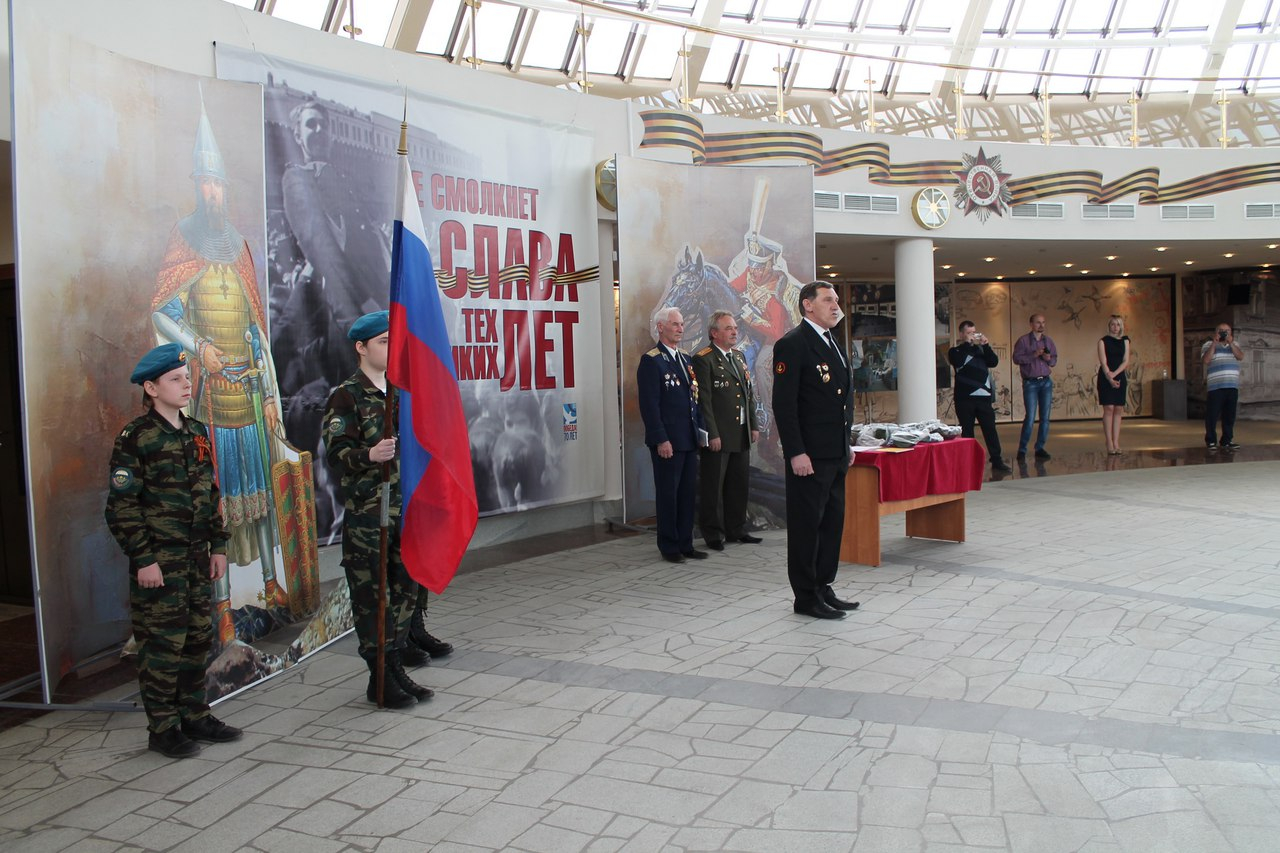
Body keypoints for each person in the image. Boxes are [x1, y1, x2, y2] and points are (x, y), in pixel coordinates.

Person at [152, 100, 290, 646]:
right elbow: (163, 312)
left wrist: (272, 394)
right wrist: (200, 347)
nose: (212, 192)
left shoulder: (240, 248)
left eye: (218, 184)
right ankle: (225, 606)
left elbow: (257, 330)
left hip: (251, 398)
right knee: (221, 509)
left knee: (262, 502)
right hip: (211, 401)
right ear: (196, 186)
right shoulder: (183, 240)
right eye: (204, 183)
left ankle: (272, 587)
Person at [105, 343, 244, 758]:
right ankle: (163, 728)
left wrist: (218, 545)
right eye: (175, 379)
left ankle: (195, 715)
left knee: (197, 639)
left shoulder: (195, 431)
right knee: (162, 646)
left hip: (196, 559)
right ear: (151, 388)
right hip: (160, 563)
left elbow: (210, 493)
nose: (186, 385)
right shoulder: (136, 438)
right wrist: (144, 558)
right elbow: (121, 507)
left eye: (187, 377)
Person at [323, 311, 437, 709]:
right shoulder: (347, 395)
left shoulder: (400, 392)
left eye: (393, 341)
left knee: (405, 588)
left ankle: (395, 664)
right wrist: (368, 455)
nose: (391, 349)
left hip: (404, 510)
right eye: (383, 342)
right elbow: (336, 454)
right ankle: (380, 675)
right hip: (370, 515)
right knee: (374, 598)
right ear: (361, 347)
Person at [772, 282, 860, 620]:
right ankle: (806, 596)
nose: (836, 305)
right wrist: (796, 451)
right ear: (808, 305)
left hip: (834, 452)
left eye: (836, 300)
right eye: (828, 300)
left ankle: (824, 585)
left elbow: (841, 401)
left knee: (831, 523)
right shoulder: (793, 344)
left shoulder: (832, 341)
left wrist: (845, 443)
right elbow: (785, 405)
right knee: (807, 526)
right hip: (809, 456)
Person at [637, 306, 707, 563]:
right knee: (669, 494)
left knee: (687, 494)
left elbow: (694, 399)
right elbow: (650, 405)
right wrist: (661, 439)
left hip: (688, 438)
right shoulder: (652, 361)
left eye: (682, 324)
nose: (681, 328)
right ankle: (669, 546)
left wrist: (701, 432)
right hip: (668, 441)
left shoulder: (686, 358)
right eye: (675, 324)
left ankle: (685, 543)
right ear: (660, 327)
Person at [692, 311, 761, 551]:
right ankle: (712, 533)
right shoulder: (704, 359)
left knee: (738, 484)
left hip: (740, 431)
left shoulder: (738, 356)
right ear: (714, 333)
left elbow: (748, 394)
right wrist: (712, 433)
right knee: (713, 486)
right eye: (728, 328)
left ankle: (736, 529)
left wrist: (753, 425)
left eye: (735, 328)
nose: (734, 332)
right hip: (719, 434)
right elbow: (704, 401)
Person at [950, 321, 1013, 473]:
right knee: (967, 431)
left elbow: (993, 362)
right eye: (969, 333)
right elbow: (957, 362)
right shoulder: (955, 351)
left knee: (990, 430)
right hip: (964, 398)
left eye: (974, 332)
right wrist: (967, 344)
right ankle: (968, 462)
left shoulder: (980, 350)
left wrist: (986, 345)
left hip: (983, 398)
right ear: (962, 334)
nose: (972, 335)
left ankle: (997, 460)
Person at [1012, 313, 1057, 461]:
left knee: (1045, 418)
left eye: (1043, 322)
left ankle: (1040, 447)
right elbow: (1016, 359)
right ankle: (1022, 449)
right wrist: (1034, 354)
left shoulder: (1048, 341)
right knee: (1030, 417)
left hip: (1046, 382)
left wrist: (1048, 359)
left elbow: (1054, 361)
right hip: (1030, 382)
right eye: (1038, 323)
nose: (1041, 325)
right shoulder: (1023, 341)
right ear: (1031, 324)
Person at [1201, 322, 1244, 451]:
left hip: (1232, 385)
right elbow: (1206, 360)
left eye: (1227, 331)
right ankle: (1211, 441)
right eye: (1221, 330)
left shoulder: (1235, 344)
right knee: (1212, 415)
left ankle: (1227, 440)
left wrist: (1231, 343)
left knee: (1229, 415)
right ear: (1216, 332)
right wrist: (1214, 343)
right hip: (1215, 387)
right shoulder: (1208, 345)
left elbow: (1240, 356)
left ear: (1231, 333)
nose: (1224, 333)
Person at [1097, 315, 1131, 455]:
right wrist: (1109, 376)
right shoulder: (1102, 341)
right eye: (1113, 324)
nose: (1115, 327)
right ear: (1109, 326)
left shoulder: (1125, 341)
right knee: (1109, 408)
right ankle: (1109, 442)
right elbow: (1103, 362)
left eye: (1118, 324)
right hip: (1106, 376)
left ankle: (1116, 441)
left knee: (1118, 409)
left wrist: (1115, 374)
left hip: (1119, 375)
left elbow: (1125, 361)